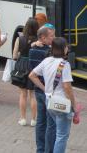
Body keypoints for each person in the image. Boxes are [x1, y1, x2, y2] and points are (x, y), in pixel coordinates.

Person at [29, 37, 78, 153]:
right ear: (63, 49)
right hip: (62, 103)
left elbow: (32, 75)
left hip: (49, 101)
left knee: (54, 130)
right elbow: (67, 87)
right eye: (66, 46)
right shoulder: (64, 64)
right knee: (62, 136)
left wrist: (44, 88)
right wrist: (74, 105)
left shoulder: (47, 61)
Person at [29, 25, 56, 153]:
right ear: (43, 38)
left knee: (40, 122)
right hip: (48, 91)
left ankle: (40, 149)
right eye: (52, 36)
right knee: (51, 124)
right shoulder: (48, 53)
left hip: (38, 90)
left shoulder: (32, 50)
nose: (54, 38)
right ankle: (48, 150)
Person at [12, 18, 39, 126]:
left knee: (23, 94)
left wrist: (20, 56)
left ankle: (23, 119)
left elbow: (14, 56)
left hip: (22, 65)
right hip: (34, 67)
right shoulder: (38, 40)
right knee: (33, 95)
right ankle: (33, 120)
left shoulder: (20, 38)